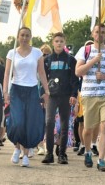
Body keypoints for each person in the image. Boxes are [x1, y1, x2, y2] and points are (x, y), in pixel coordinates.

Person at [75, 24, 105, 172]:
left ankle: (101, 160)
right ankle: (88, 152)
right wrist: (93, 61)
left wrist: (104, 76)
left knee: (104, 126)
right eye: (97, 32)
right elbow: (78, 72)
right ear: (92, 34)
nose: (100, 34)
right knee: (88, 129)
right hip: (89, 95)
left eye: (103, 32)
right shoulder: (85, 50)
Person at [3, 26, 50, 167]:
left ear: (30, 37)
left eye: (27, 35)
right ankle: (17, 148)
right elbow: (7, 74)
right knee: (17, 122)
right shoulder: (12, 53)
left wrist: (47, 92)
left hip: (31, 90)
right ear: (18, 36)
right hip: (16, 90)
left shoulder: (37, 53)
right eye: (22, 35)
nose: (24, 38)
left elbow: (41, 73)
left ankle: (26, 152)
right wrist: (5, 92)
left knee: (29, 123)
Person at [41, 32, 78, 165]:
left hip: (66, 96)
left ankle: (62, 154)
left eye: (61, 41)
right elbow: (43, 79)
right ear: (53, 43)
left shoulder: (71, 60)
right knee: (49, 122)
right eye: (56, 41)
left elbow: (75, 79)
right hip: (52, 96)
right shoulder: (47, 60)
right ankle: (49, 153)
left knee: (64, 125)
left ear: (64, 43)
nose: (59, 43)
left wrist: (74, 95)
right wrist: (42, 94)